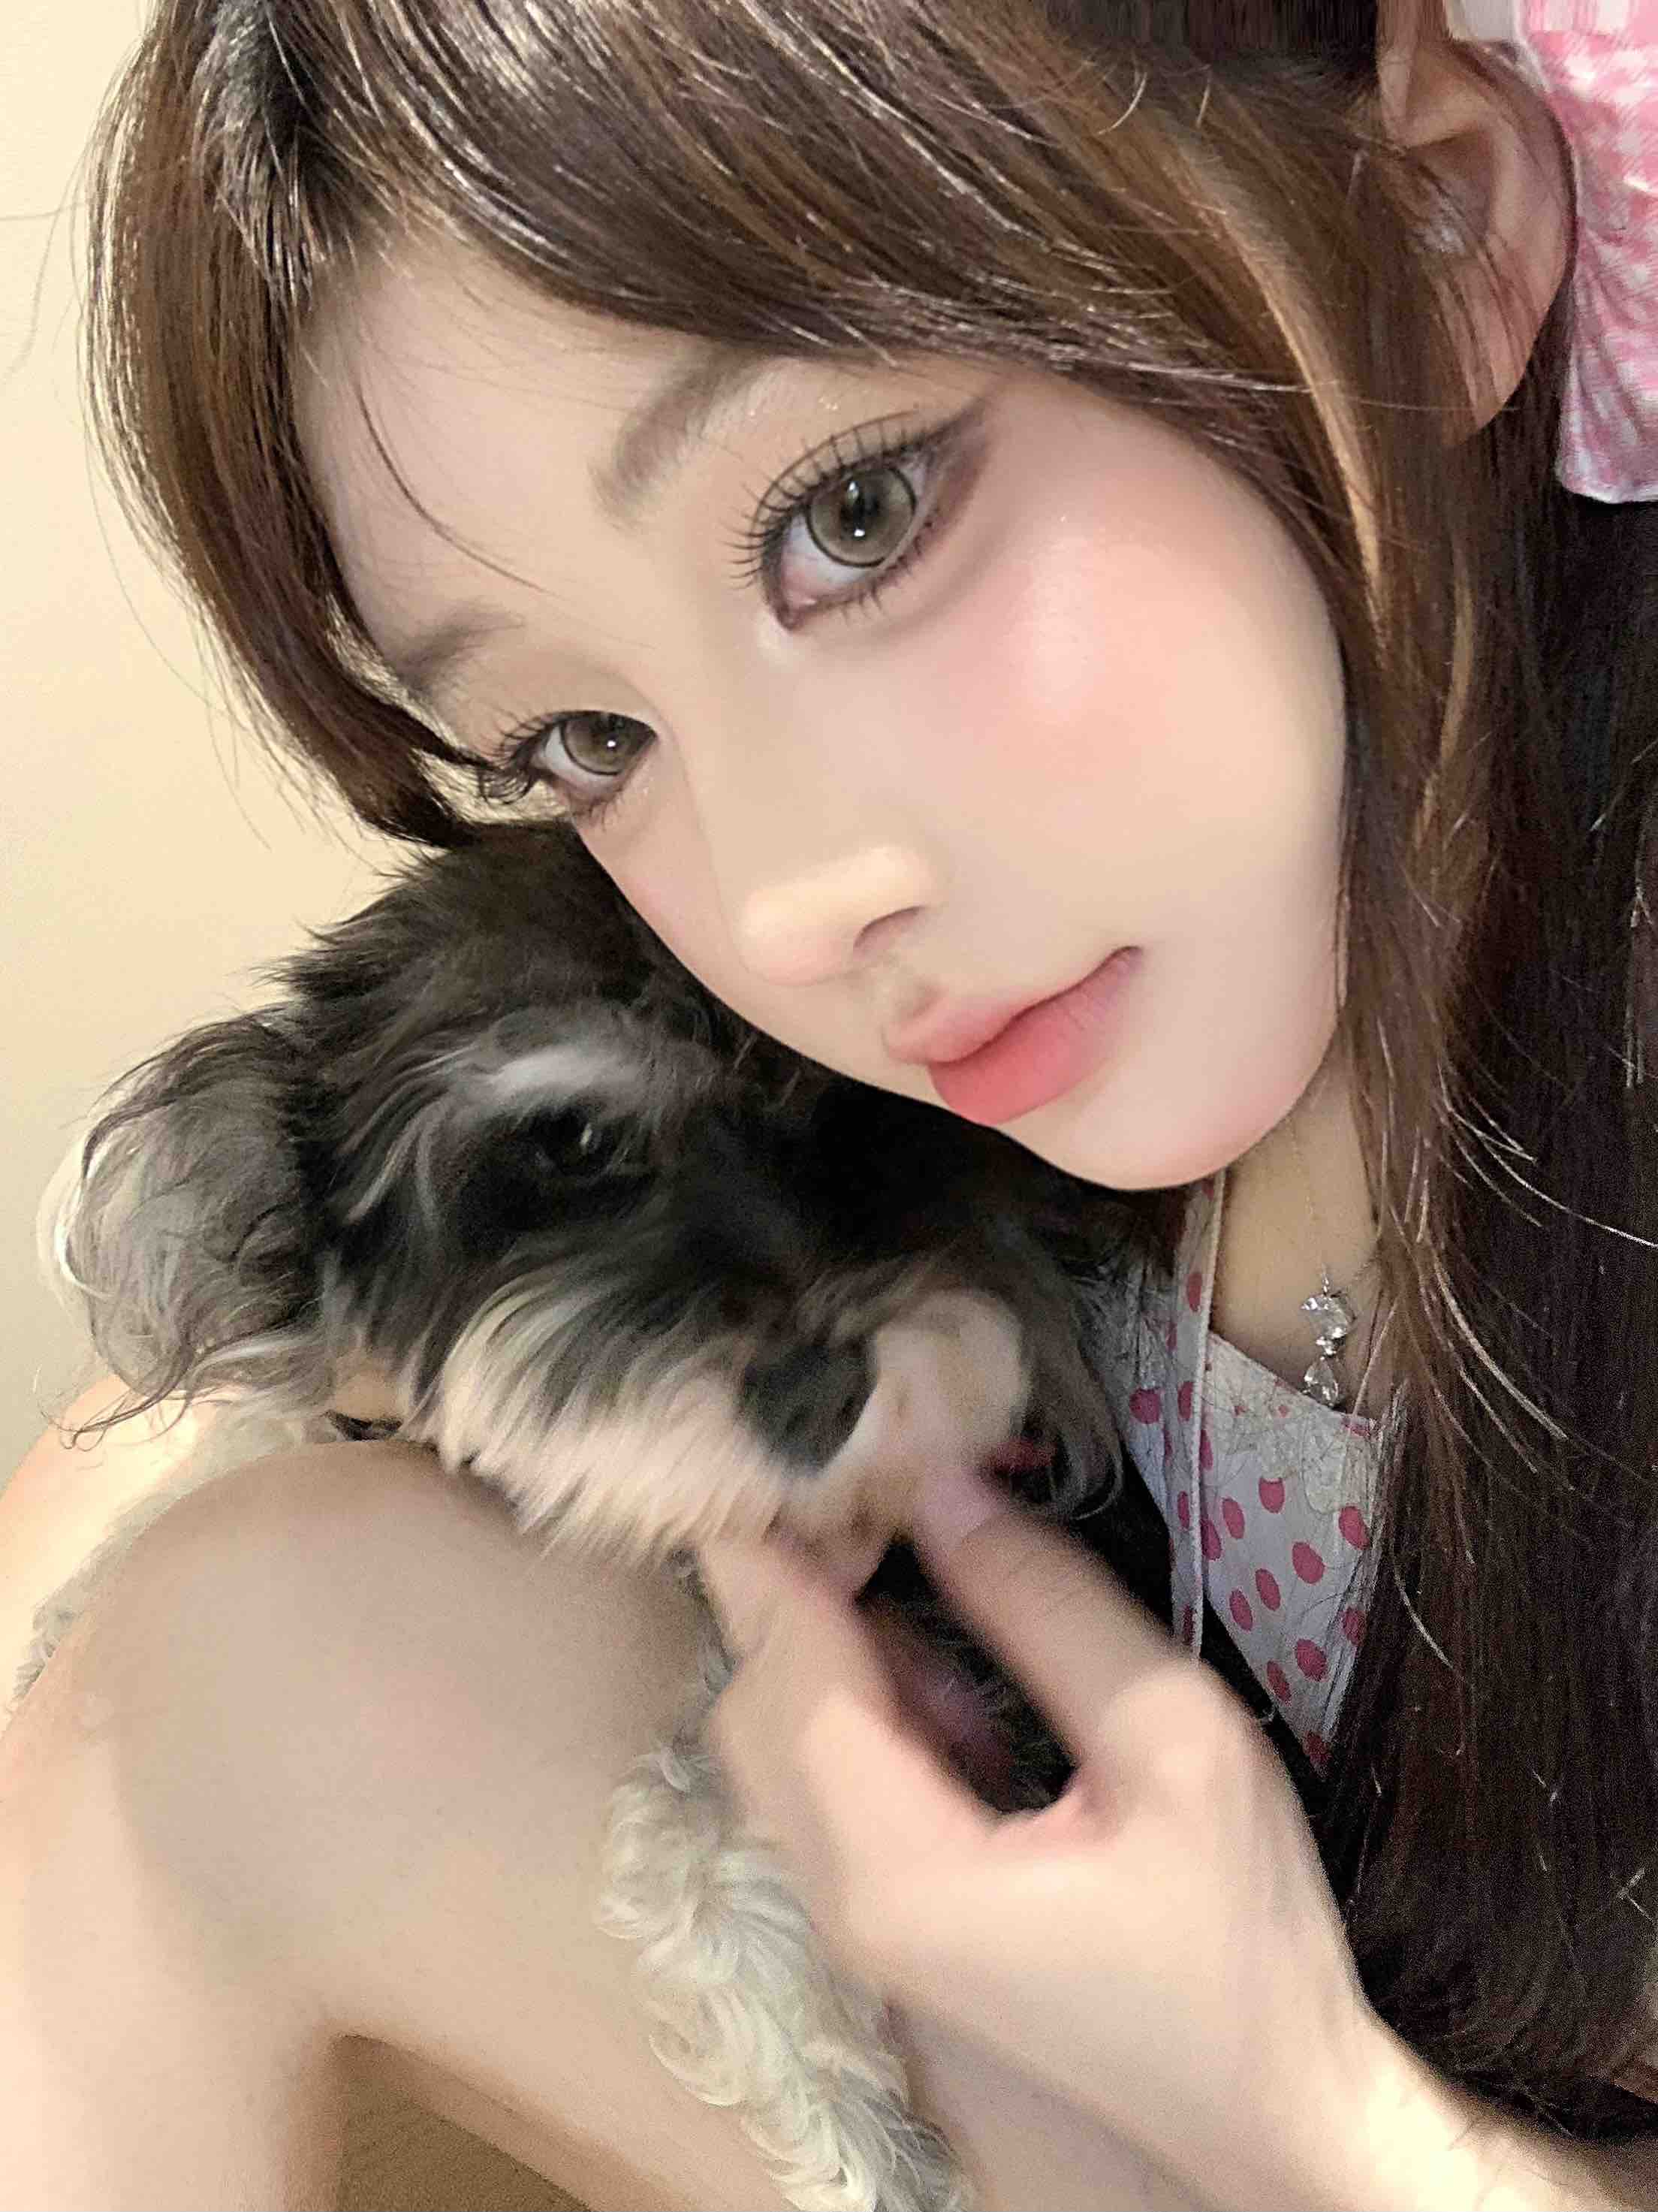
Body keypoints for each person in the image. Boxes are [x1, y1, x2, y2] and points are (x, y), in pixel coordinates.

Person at [6, 0, 1658, 2204]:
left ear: (1434, 221)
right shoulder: (1017, 1039)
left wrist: (1304, 2111)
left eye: (858, 515)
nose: (787, 909)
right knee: (195, 1621)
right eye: (581, 739)